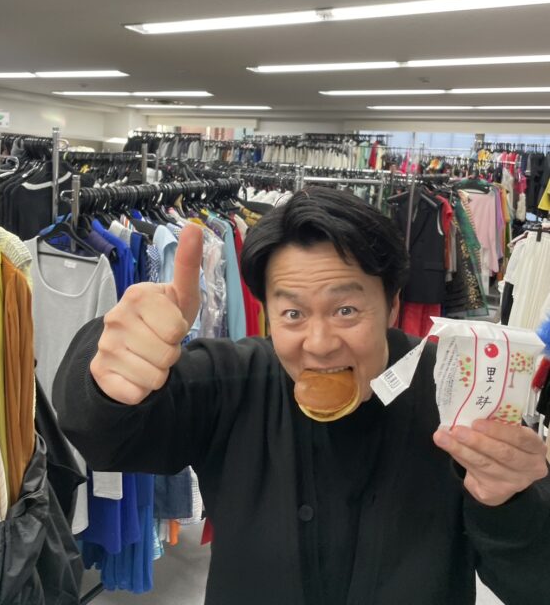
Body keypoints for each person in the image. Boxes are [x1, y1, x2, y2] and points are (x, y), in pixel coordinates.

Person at [53, 188, 550, 605]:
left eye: (346, 310)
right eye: (293, 314)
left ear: (393, 305)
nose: (319, 342)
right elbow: (106, 436)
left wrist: (511, 502)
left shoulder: (457, 389)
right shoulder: (234, 379)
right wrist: (107, 376)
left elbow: (534, 583)